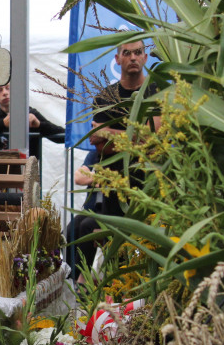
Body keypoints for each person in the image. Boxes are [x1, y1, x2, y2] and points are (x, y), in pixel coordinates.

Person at [65, 40, 156, 280]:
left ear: (146, 57)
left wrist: (111, 132)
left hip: (151, 184)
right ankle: (107, 296)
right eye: (127, 53)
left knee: (147, 244)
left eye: (138, 52)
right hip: (114, 186)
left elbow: (154, 141)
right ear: (117, 59)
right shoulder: (105, 98)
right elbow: (98, 143)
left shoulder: (156, 92)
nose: (133, 58)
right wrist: (134, 137)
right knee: (115, 245)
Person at [0, 82, 65, 151]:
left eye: (8, 88)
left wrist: (39, 125)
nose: (5, 93)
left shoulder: (30, 114)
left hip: (27, 166)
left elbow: (63, 136)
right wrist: (2, 124)